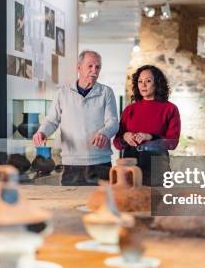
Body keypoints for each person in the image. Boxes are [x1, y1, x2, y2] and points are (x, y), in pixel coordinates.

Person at [33, 50, 119, 185]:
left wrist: (104, 133)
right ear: (79, 67)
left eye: (98, 67)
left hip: (100, 163)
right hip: (72, 165)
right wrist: (42, 132)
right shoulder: (62, 93)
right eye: (90, 66)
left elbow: (113, 122)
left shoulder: (106, 92)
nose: (94, 70)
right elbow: (51, 120)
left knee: (102, 203)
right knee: (70, 203)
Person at [113, 65, 181, 185]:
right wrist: (125, 137)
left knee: (157, 203)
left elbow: (172, 143)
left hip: (157, 170)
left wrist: (151, 137)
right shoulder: (129, 110)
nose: (143, 85)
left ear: (157, 83)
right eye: (140, 81)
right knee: (130, 203)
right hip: (130, 170)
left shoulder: (170, 109)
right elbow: (117, 143)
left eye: (148, 81)